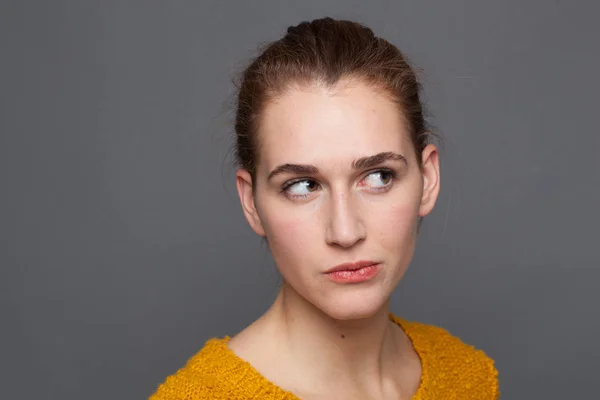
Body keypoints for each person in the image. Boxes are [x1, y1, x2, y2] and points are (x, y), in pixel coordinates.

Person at [150, 17, 499, 400]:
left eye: (379, 176)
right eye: (303, 186)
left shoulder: (466, 377)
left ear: (428, 179)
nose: (346, 232)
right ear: (251, 202)